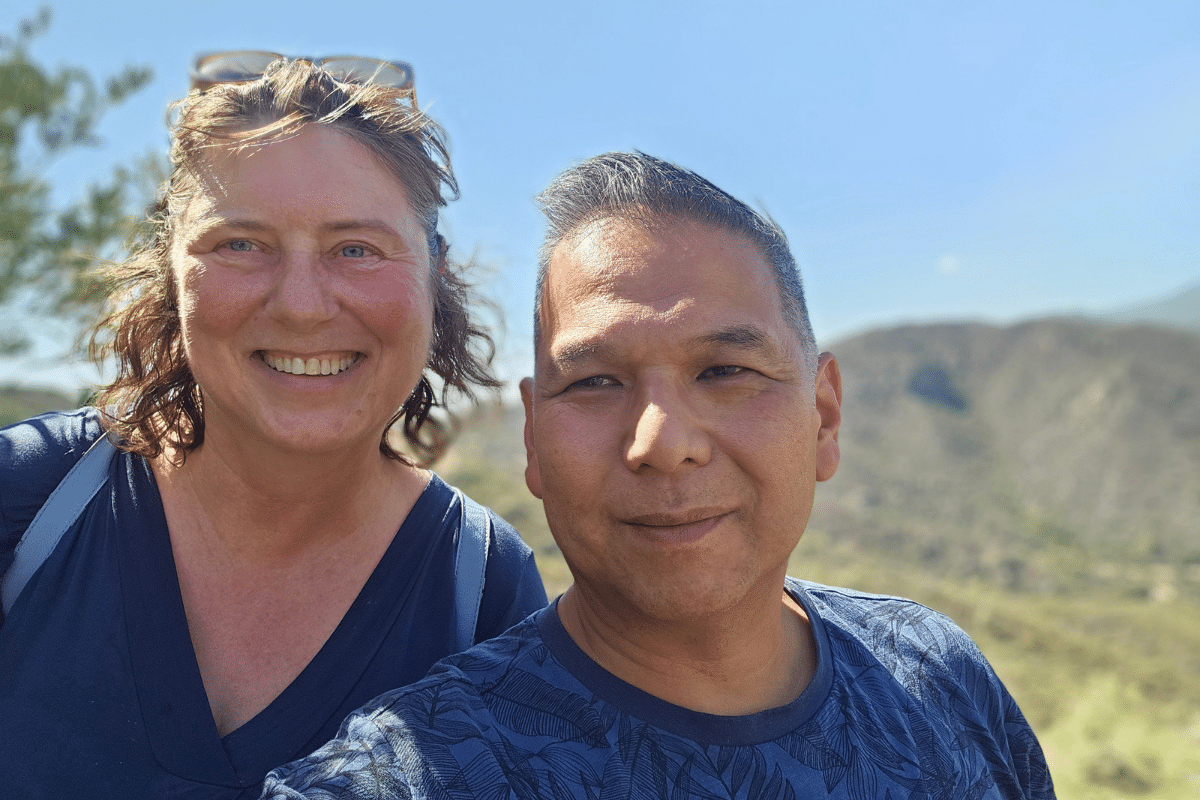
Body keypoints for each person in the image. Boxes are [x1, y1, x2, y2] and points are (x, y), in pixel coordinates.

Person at [260, 151, 1054, 799]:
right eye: (597, 383)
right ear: (533, 441)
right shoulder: (423, 771)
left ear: (825, 416)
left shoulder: (937, 672)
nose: (662, 442)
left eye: (725, 370)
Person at [0, 54, 546, 798]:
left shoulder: (480, 586)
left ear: (433, 272)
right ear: (172, 269)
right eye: (241, 244)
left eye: (355, 248)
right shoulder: (31, 500)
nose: (301, 305)